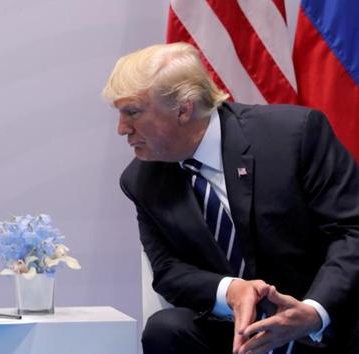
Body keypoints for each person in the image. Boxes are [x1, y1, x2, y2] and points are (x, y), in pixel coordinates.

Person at [102, 42, 359, 354]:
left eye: (133, 112)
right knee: (166, 329)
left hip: (320, 326)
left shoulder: (293, 136)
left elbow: (352, 230)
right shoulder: (143, 179)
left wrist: (314, 312)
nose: (121, 129)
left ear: (183, 109)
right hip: (235, 334)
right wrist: (231, 291)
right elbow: (168, 269)